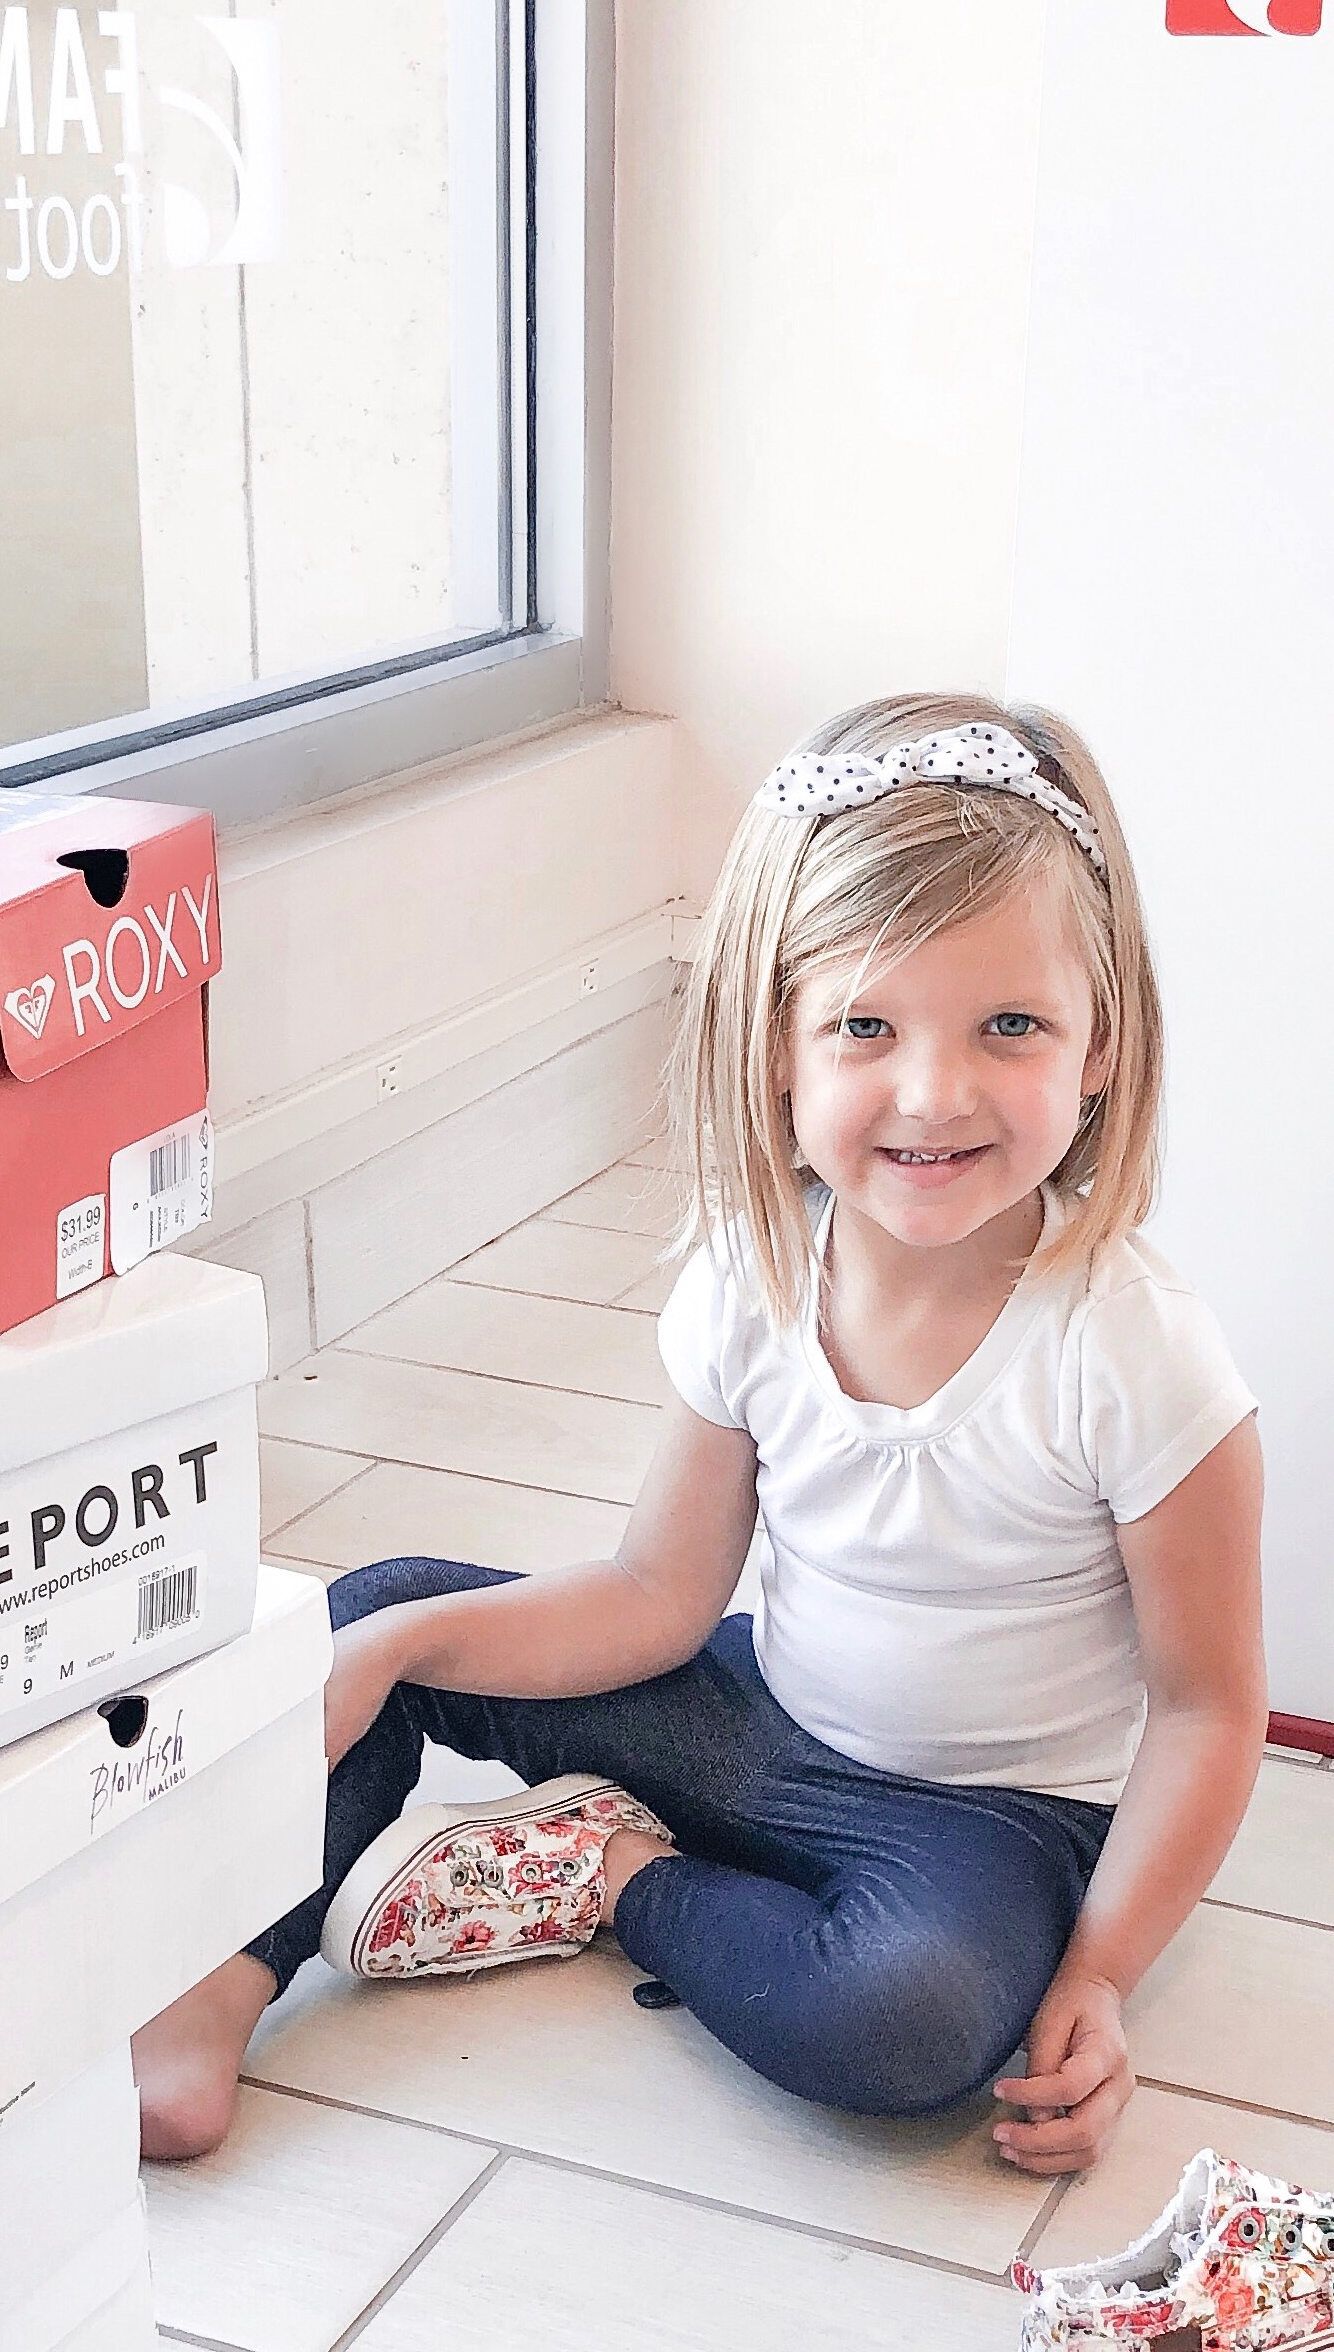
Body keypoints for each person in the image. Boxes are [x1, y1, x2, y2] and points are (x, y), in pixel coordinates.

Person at [133, 694, 1268, 2181]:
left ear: (1099, 1046)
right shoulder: (754, 1276)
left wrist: (1100, 1973)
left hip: (987, 1823)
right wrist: (398, 1655)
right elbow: (659, 1597)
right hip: (757, 1722)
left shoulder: (1134, 1349)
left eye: (1009, 1025)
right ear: (777, 1050)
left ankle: (604, 1872)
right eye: (864, 1025)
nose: (933, 1090)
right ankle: (217, 1983)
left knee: (904, 2024)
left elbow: (1205, 1708)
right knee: (376, 1613)